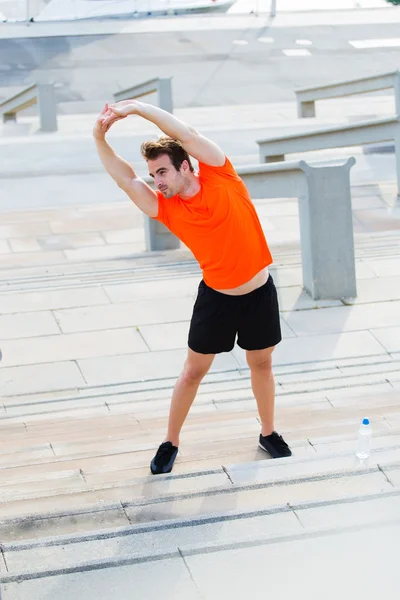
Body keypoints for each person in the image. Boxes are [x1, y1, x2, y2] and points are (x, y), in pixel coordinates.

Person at [93, 100, 292, 475]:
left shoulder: (221, 175)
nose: (159, 181)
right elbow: (126, 180)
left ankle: (268, 432)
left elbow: (187, 135)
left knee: (261, 364)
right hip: (216, 300)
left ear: (185, 165)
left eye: (163, 172)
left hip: (259, 293)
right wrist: (98, 138)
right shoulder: (166, 207)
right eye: (155, 176)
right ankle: (170, 441)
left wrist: (136, 108)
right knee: (192, 373)